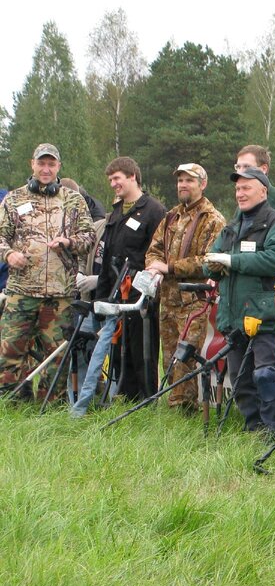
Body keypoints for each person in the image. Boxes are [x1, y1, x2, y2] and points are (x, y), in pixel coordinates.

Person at [70, 157, 167, 415]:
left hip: (141, 296)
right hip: (114, 293)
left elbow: (159, 253)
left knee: (141, 350)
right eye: (111, 180)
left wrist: (150, 289)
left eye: (118, 178)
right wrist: (100, 302)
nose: (114, 184)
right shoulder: (115, 213)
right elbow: (107, 257)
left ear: (133, 176)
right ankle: (122, 398)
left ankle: (146, 403)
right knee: (117, 349)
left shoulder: (154, 210)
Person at [0, 144, 96, 399]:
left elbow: (89, 237)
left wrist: (69, 242)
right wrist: (9, 254)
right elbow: (0, 237)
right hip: (21, 292)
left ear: (58, 167)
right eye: (41, 163)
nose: (45, 169)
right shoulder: (14, 199)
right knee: (9, 352)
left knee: (56, 356)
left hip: (59, 294)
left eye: (51, 164)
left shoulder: (73, 200)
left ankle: (50, 408)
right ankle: (11, 404)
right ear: (32, 164)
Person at [204, 167, 275, 438]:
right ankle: (254, 430)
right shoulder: (231, 227)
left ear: (263, 191)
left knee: (264, 374)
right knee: (240, 381)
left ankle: (274, 432)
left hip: (263, 314)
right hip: (233, 315)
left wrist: (232, 261)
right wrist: (216, 265)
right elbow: (209, 263)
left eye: (246, 188)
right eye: (238, 189)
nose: (240, 194)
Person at [144, 164, 226, 411]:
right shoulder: (171, 217)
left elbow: (211, 261)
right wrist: (153, 267)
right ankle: (175, 408)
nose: (183, 185)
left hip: (195, 300)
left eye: (189, 180)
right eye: (180, 180)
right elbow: (153, 250)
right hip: (167, 299)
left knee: (185, 357)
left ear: (203, 184)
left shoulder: (214, 220)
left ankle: (183, 410)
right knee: (168, 358)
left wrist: (169, 268)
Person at [235, 145, 275, 223]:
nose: (240, 172)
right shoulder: (243, 200)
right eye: (238, 167)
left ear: (264, 169)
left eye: (247, 166)